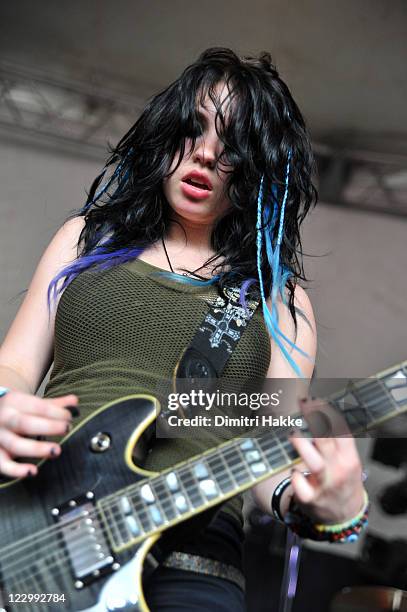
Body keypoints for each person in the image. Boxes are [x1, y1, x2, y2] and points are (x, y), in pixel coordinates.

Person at [0, 48, 366, 610]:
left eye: (233, 145)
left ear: (260, 166)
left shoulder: (278, 298)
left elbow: (271, 459)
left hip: (194, 565)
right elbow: (18, 366)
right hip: (44, 535)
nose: (205, 153)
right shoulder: (87, 239)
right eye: (192, 129)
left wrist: (324, 504)